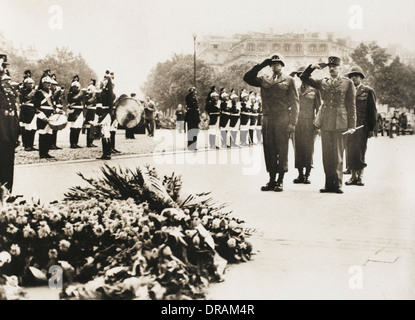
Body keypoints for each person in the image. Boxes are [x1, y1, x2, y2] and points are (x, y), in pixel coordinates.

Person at [300, 56, 356, 194]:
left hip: (340, 122)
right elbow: (304, 77)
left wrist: (352, 125)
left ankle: (337, 184)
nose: (332, 69)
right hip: (325, 121)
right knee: (327, 155)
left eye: (334, 67)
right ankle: (328, 184)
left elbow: (351, 105)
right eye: (330, 67)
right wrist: (312, 67)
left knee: (337, 154)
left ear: (339, 68)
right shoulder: (322, 82)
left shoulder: (347, 83)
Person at [243, 54, 299, 192]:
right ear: (270, 66)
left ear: (282, 66)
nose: (275, 66)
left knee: (282, 149)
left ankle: (280, 180)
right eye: (273, 64)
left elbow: (295, 103)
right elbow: (247, 78)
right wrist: (261, 64)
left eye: (278, 64)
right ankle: (271, 180)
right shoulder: (264, 80)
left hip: (283, 118)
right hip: (268, 118)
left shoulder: (289, 80)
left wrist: (292, 123)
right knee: (269, 149)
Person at [342, 66, 377, 187]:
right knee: (351, 151)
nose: (353, 78)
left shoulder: (368, 91)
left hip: (362, 127)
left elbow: (372, 111)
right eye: (351, 76)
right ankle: (352, 177)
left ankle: (360, 177)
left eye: (356, 76)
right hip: (350, 126)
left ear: (361, 77)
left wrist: (371, 128)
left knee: (361, 151)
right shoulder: (347, 91)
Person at [291, 66, 322, 184]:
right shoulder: (296, 90)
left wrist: (317, 125)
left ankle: (307, 174)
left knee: (309, 149)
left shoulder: (315, 91)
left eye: (304, 76)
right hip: (297, 122)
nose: (303, 78)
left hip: (310, 123)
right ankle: (300, 175)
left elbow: (319, 108)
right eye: (300, 76)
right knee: (297, 148)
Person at [0, 54, 20, 192]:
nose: (4, 68)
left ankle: (6, 194)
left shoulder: (7, 87)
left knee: (7, 165)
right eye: (2, 65)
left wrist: (16, 132)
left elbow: (13, 110)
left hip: (8, 132)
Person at [34, 76, 56, 159]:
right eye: (47, 83)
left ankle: (46, 152)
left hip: (50, 114)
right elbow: (36, 107)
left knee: (49, 134)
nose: (49, 85)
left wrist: (56, 111)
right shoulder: (38, 92)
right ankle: (42, 153)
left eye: (50, 83)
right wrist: (42, 117)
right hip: (42, 115)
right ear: (43, 84)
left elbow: (53, 104)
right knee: (43, 134)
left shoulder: (50, 92)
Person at [97, 70, 114, 160]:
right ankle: (106, 153)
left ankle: (107, 153)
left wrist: (106, 116)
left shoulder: (107, 92)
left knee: (105, 133)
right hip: (105, 112)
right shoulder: (105, 91)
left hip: (106, 113)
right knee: (105, 133)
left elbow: (109, 105)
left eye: (105, 78)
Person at [19, 73, 37, 151]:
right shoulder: (23, 91)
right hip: (26, 110)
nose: (31, 85)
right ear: (25, 84)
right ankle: (26, 145)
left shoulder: (35, 91)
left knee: (33, 128)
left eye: (32, 83)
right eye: (29, 83)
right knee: (27, 128)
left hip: (33, 110)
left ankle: (31, 144)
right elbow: (25, 98)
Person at [67, 80, 86, 149]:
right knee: (73, 128)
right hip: (74, 111)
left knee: (78, 128)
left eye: (76, 87)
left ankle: (76, 142)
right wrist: (81, 94)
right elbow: (74, 99)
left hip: (80, 111)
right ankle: (72, 143)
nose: (75, 88)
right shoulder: (70, 94)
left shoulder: (81, 94)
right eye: (74, 87)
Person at [50, 74, 64, 150]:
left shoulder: (56, 92)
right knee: (51, 129)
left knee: (55, 128)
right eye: (53, 85)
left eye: (55, 85)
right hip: (51, 110)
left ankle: (53, 143)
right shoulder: (50, 93)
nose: (54, 86)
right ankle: (50, 144)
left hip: (56, 109)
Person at [84, 79, 98, 147]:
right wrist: (92, 98)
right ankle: (88, 142)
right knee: (89, 127)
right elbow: (87, 102)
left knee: (93, 127)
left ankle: (91, 141)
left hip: (93, 110)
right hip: (89, 111)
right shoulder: (87, 96)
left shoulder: (95, 96)